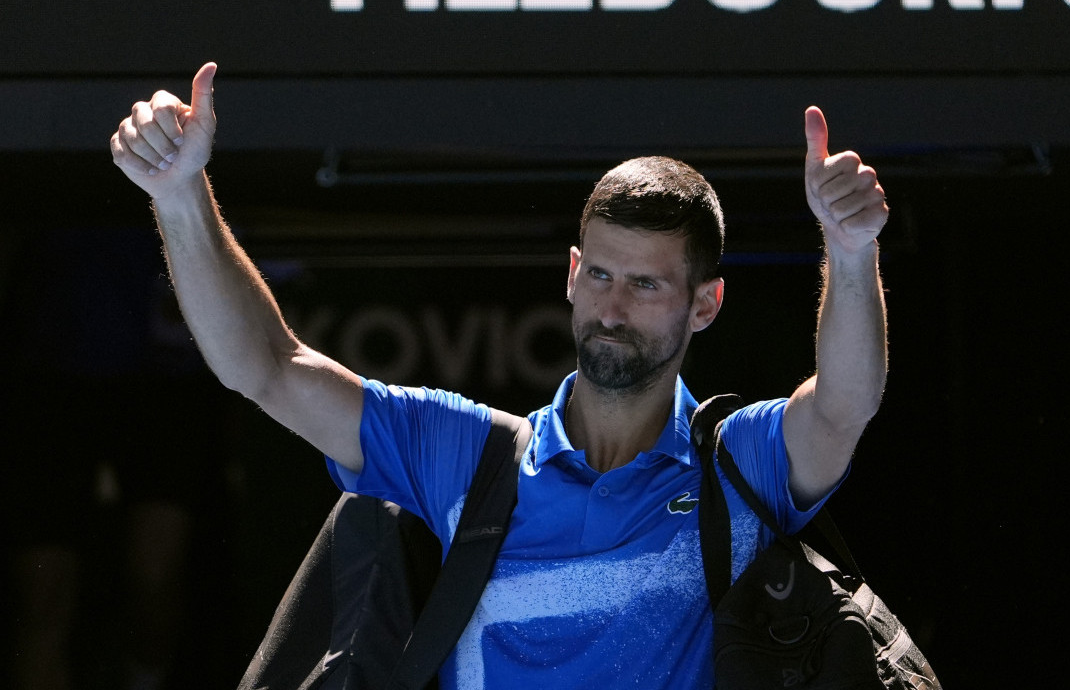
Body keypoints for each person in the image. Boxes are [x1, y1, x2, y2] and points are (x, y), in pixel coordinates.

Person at [108, 63, 888, 689]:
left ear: (706, 305)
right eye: (602, 276)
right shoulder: (467, 456)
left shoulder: (736, 467)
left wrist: (851, 254)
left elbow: (843, 405)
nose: (612, 309)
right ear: (573, 273)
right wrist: (179, 197)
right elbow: (267, 369)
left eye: (647, 285)